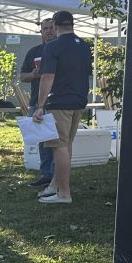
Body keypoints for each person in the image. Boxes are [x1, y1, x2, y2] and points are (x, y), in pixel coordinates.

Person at [33, 11, 92, 205]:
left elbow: (47, 77)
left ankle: (64, 193)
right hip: (79, 101)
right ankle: (54, 185)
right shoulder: (84, 46)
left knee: (59, 147)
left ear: (56, 27)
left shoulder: (53, 47)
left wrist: (40, 106)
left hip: (59, 102)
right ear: (72, 25)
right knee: (66, 146)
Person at [20, 17, 57, 187]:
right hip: (37, 101)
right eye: (45, 28)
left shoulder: (62, 50)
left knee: (58, 140)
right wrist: (34, 74)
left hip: (58, 101)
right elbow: (22, 77)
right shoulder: (34, 52)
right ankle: (46, 174)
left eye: (51, 28)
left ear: (57, 29)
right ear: (41, 31)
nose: (49, 31)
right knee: (42, 140)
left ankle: (58, 176)